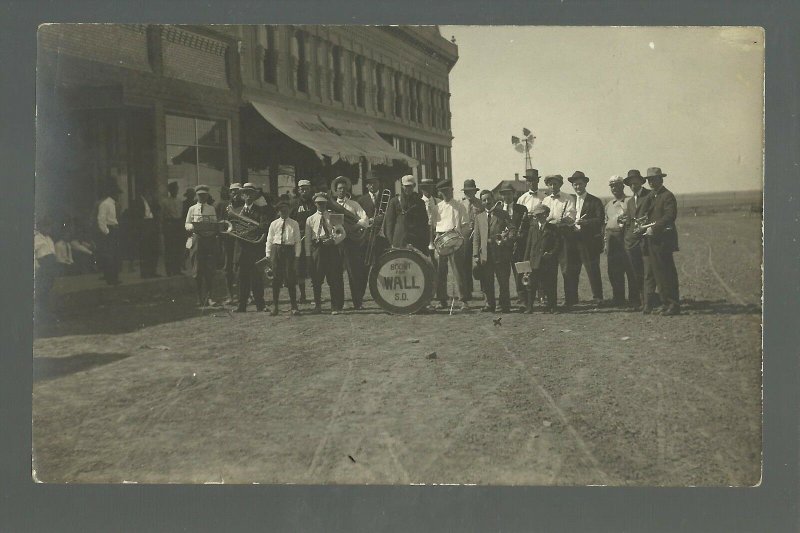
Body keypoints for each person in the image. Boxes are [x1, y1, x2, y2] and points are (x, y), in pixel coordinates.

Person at [642, 167, 680, 315]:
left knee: (667, 272)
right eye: (649, 180)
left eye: (654, 179)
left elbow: (670, 216)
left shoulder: (667, 196)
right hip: (652, 240)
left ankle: (673, 304)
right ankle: (665, 303)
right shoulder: (652, 196)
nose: (651, 182)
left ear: (661, 180)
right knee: (658, 273)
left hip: (663, 239)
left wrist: (654, 228)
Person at [565, 171, 605, 307]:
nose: (577, 187)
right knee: (572, 270)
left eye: (580, 184)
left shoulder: (595, 201)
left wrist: (586, 222)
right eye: (575, 185)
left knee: (592, 270)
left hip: (588, 242)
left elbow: (600, 220)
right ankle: (572, 298)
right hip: (572, 241)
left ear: (586, 183)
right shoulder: (568, 200)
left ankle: (598, 297)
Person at [618, 169, 656, 311]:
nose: (633, 186)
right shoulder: (630, 202)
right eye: (630, 184)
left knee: (648, 272)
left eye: (636, 182)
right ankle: (640, 301)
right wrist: (625, 222)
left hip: (646, 240)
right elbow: (630, 221)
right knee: (636, 272)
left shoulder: (650, 196)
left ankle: (649, 302)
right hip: (632, 241)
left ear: (641, 182)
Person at [472, 189, 514, 313]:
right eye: (484, 200)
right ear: (481, 202)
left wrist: (506, 237)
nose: (487, 202)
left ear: (493, 199)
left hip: (501, 253)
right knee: (487, 281)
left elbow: (512, 229)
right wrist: (475, 255)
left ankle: (504, 305)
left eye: (489, 199)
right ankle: (489, 304)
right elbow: (476, 238)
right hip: (485, 254)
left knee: (503, 280)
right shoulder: (479, 217)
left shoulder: (503, 214)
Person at [331, 176, 370, 310]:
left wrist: (354, 227)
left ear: (347, 189)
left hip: (350, 243)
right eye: (339, 189)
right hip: (335, 244)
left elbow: (365, 220)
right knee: (336, 274)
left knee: (354, 273)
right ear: (335, 191)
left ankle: (357, 302)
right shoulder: (331, 205)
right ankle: (338, 304)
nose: (341, 191)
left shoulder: (354, 205)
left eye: (344, 188)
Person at [234, 183, 272, 313]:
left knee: (256, 278)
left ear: (254, 196)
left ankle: (260, 305)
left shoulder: (260, 210)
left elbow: (264, 225)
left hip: (255, 249)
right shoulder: (237, 210)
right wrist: (240, 231)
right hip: (241, 249)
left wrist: (249, 230)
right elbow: (232, 227)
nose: (248, 196)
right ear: (242, 195)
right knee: (242, 278)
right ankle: (242, 305)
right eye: (245, 193)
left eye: (250, 193)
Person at [305, 192, 346, 314]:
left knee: (333, 278)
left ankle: (334, 306)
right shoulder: (310, 219)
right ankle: (318, 306)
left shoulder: (333, 216)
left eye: (323, 203)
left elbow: (342, 233)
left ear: (326, 203)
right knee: (317, 279)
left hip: (331, 249)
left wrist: (333, 241)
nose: (321, 205)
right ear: (315, 204)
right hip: (317, 249)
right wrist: (308, 255)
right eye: (318, 203)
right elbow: (307, 239)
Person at [434, 178, 470, 311]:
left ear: (452, 190)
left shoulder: (460, 206)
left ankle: (464, 300)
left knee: (458, 271)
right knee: (440, 272)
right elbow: (435, 226)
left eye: (447, 191)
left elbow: (466, 225)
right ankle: (442, 299)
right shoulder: (438, 207)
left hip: (456, 239)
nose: (445, 194)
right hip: (441, 240)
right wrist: (437, 240)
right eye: (442, 192)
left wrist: (459, 238)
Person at [541, 174, 576, 307]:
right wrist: (550, 220)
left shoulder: (568, 198)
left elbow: (571, 217)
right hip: (550, 236)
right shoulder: (545, 201)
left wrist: (560, 220)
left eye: (555, 183)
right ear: (548, 186)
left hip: (564, 235)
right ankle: (551, 301)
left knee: (566, 269)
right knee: (549, 269)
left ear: (560, 184)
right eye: (550, 184)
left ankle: (569, 300)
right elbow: (543, 218)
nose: (553, 186)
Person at [265, 196, 302, 316]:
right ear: (278, 211)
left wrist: (297, 257)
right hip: (276, 251)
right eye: (281, 210)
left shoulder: (294, 224)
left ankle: (294, 306)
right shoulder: (274, 224)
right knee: (276, 279)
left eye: (286, 209)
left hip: (289, 252)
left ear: (290, 210)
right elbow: (269, 240)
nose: (283, 212)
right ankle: (275, 306)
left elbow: (297, 241)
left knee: (290, 278)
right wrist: (268, 255)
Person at [605, 175, 638, 307]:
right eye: (612, 186)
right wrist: (605, 242)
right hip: (612, 240)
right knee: (614, 271)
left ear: (622, 186)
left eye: (617, 185)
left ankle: (634, 299)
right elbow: (605, 224)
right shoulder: (608, 205)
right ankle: (618, 298)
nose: (614, 188)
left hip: (627, 238)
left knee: (631, 269)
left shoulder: (630, 201)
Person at [522, 204, 561, 313]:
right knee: (531, 285)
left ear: (546, 214)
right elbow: (528, 247)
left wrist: (551, 254)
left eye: (540, 214)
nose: (538, 217)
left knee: (550, 285)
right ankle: (529, 307)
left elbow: (558, 245)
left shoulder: (553, 229)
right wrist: (525, 264)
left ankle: (552, 306)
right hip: (534, 262)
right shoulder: (532, 229)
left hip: (548, 263)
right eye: (536, 215)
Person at [185, 185, 219, 307]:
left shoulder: (211, 209)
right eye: (200, 195)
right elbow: (187, 224)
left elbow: (214, 223)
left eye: (204, 195)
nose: (202, 197)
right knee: (197, 269)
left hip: (208, 240)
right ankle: (199, 297)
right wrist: (193, 226)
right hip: (196, 240)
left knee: (209, 269)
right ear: (196, 196)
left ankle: (210, 297)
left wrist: (209, 227)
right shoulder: (192, 209)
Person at [499, 182, 529, 304]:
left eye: (509, 194)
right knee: (503, 275)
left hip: (518, 247)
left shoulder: (522, 209)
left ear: (514, 194)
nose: (507, 197)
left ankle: (523, 300)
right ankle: (505, 302)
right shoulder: (497, 210)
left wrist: (519, 236)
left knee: (520, 273)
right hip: (503, 248)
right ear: (501, 196)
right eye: (504, 194)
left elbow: (526, 227)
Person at [383, 174, 430, 252]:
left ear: (414, 186)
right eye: (406, 186)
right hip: (399, 241)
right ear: (402, 186)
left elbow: (424, 222)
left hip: (416, 241)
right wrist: (391, 241)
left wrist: (425, 242)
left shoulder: (420, 202)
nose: (407, 189)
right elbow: (389, 223)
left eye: (410, 186)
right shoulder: (394, 201)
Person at [291, 179, 317, 304]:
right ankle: (303, 295)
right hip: (299, 239)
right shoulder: (294, 204)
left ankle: (317, 295)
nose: (304, 191)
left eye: (306, 189)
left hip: (314, 239)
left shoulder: (315, 203)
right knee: (300, 268)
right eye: (301, 189)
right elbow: (289, 221)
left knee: (314, 267)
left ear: (310, 189)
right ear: (298, 190)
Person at [218, 182, 242, 304]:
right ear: (230, 193)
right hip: (228, 240)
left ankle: (243, 294)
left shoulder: (245, 206)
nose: (235, 193)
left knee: (241, 267)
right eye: (233, 191)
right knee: (228, 268)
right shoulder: (223, 206)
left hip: (241, 241)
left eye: (237, 191)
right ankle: (230, 295)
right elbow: (220, 223)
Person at [96, 178, 123, 285]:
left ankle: (114, 277)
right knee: (110, 255)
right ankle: (110, 278)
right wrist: (107, 232)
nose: (118, 196)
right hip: (110, 230)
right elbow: (100, 220)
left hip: (114, 229)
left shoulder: (113, 204)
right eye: (117, 194)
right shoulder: (105, 204)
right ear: (113, 194)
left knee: (115, 255)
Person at [131, 186, 161, 278]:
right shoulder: (138, 201)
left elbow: (157, 211)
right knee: (145, 250)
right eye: (149, 191)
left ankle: (152, 271)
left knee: (153, 250)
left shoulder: (151, 201)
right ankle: (145, 272)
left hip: (151, 225)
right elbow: (137, 216)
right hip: (144, 226)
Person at [460, 178, 482, 303]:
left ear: (475, 191)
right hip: (465, 236)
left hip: (478, 235)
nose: (469, 193)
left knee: (480, 263)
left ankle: (484, 290)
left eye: (471, 191)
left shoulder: (480, 203)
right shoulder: (460, 204)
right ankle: (467, 291)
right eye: (467, 191)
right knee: (465, 264)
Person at [34, 217, 58, 320]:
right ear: (41, 227)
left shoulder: (49, 238)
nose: (49, 229)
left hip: (51, 264)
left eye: (50, 227)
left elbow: (52, 251)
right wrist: (37, 265)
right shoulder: (37, 238)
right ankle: (41, 312)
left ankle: (45, 311)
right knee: (42, 289)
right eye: (47, 226)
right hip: (43, 264)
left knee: (48, 286)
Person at [161, 181, 185, 276]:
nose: (175, 191)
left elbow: (181, 214)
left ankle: (177, 269)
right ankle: (169, 270)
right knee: (169, 248)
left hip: (178, 224)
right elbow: (162, 216)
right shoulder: (165, 201)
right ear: (170, 191)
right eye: (173, 189)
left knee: (178, 248)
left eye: (176, 189)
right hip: (169, 224)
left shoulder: (179, 201)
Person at [418, 177, 439, 258]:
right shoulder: (418, 202)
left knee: (437, 260)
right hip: (423, 235)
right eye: (424, 188)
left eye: (429, 187)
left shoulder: (438, 201)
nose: (427, 190)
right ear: (421, 189)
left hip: (436, 234)